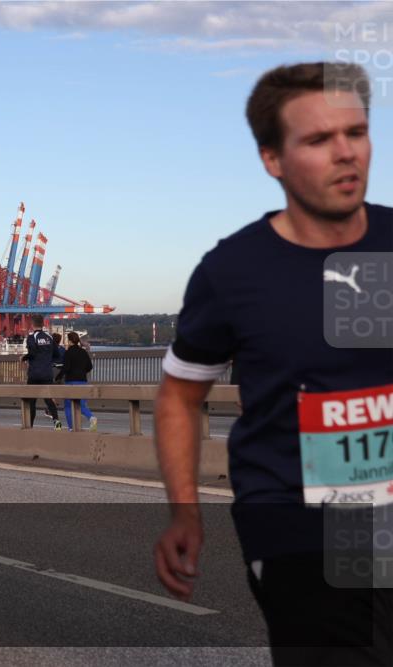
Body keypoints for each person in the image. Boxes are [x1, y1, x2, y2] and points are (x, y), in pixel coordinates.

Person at [154, 62, 391, 666]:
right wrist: (185, 509)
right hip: (297, 530)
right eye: (318, 140)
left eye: (356, 133)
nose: (346, 154)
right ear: (272, 160)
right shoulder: (232, 272)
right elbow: (181, 395)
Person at [23, 315, 62, 430]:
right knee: (49, 400)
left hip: (34, 374)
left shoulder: (31, 337)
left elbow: (32, 353)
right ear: (43, 324)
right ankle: (58, 425)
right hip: (47, 373)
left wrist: (23, 358)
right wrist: (47, 360)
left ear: (32, 325)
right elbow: (57, 354)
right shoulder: (49, 337)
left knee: (32, 402)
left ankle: (30, 427)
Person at [61, 331, 97, 432]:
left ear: (69, 341)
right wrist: (82, 371)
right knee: (81, 404)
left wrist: (58, 377)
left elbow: (66, 368)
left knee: (68, 405)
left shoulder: (68, 353)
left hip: (71, 381)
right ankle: (91, 417)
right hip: (82, 381)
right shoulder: (83, 352)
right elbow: (90, 366)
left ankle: (71, 427)